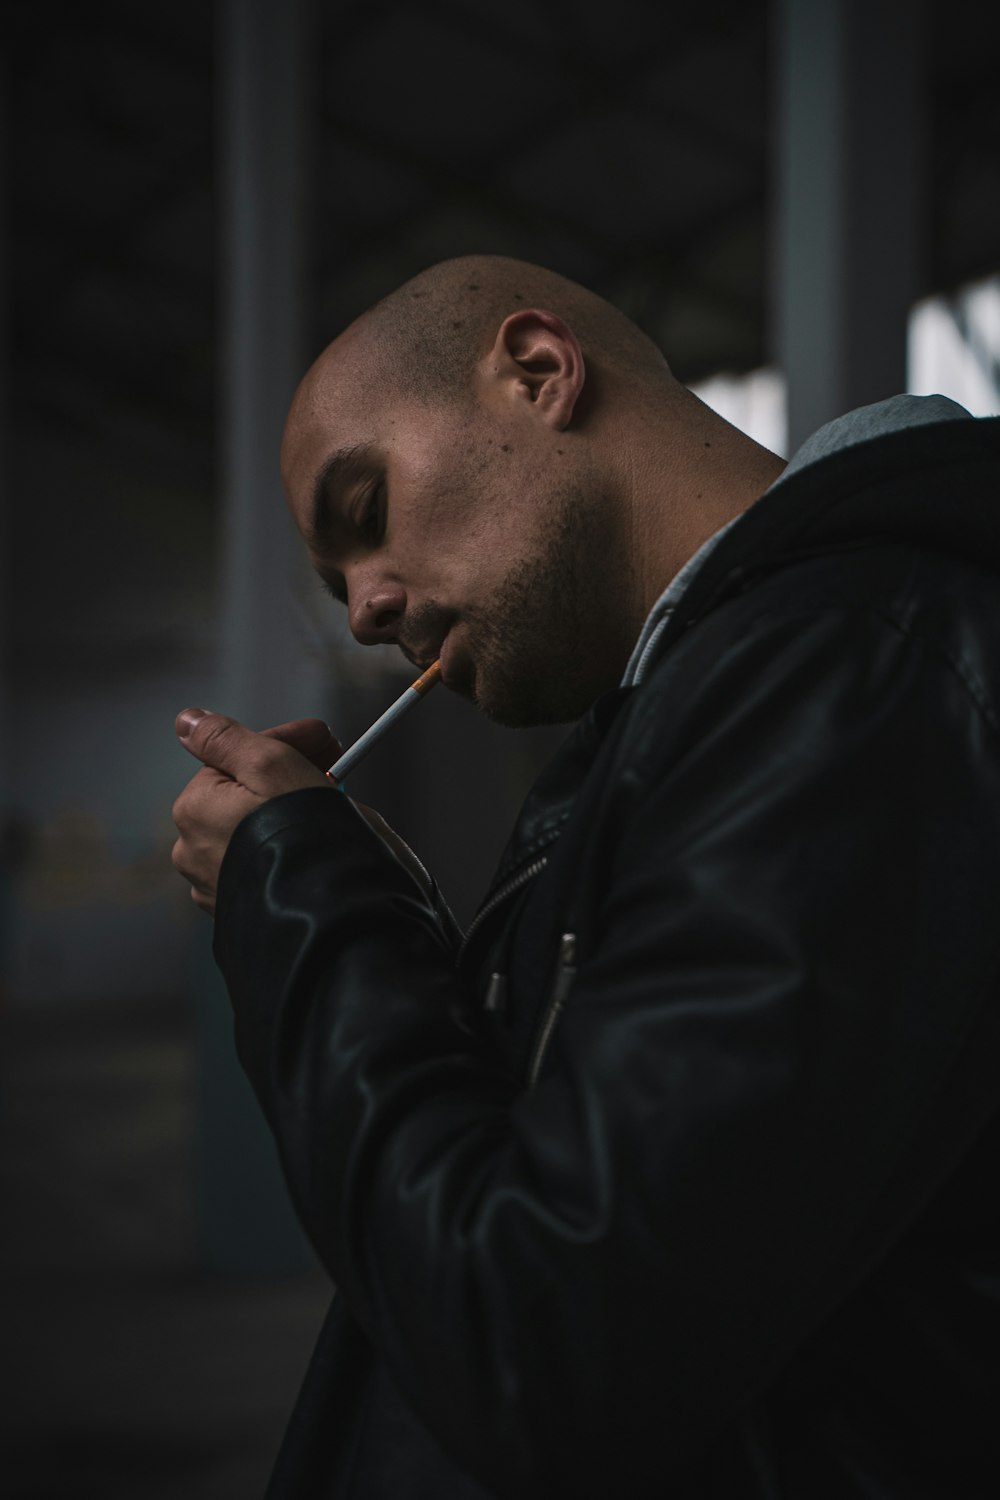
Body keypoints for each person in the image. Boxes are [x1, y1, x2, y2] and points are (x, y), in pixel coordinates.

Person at [171, 256, 1000, 1499]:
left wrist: (307, 910)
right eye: (338, 582)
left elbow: (541, 1340)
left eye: (366, 511)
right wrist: (381, 915)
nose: (363, 610)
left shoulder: (841, 675)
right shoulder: (691, 715)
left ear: (539, 373)